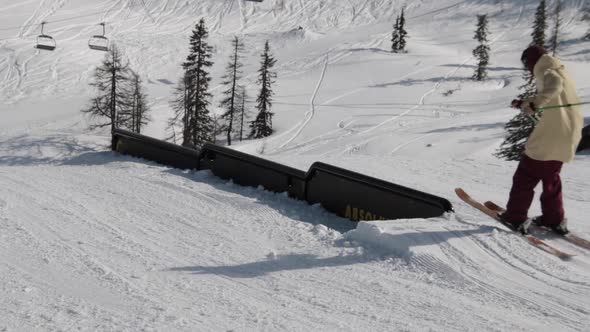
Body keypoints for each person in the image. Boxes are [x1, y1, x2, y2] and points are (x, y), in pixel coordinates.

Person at [499, 45, 584, 235]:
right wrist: (524, 103)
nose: (528, 69)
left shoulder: (548, 71)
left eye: (526, 65)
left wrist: (536, 104)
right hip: (568, 134)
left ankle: (515, 216)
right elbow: (554, 96)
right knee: (550, 177)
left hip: (551, 135)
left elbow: (553, 87)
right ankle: (553, 219)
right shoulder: (559, 70)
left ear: (531, 61)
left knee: (526, 175)